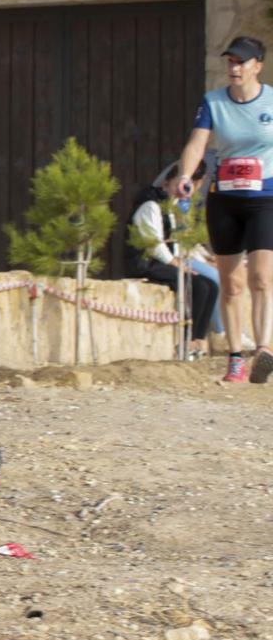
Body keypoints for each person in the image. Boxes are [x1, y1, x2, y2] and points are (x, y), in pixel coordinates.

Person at [173, 35, 273, 384]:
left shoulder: (272, 102)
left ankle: (264, 349)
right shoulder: (213, 102)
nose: (235, 67)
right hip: (224, 200)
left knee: (262, 276)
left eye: (242, 61)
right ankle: (234, 359)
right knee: (231, 284)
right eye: (230, 61)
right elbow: (197, 142)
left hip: (265, 198)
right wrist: (185, 174)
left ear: (257, 65)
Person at [129, 161, 220, 358]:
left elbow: (177, 241)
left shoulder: (170, 208)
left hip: (164, 262)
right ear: (167, 183)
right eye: (178, 184)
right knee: (198, 286)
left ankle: (197, 339)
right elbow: (154, 244)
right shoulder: (150, 205)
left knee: (210, 285)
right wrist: (176, 264)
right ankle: (186, 340)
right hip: (147, 263)